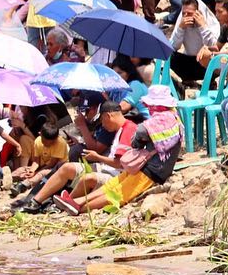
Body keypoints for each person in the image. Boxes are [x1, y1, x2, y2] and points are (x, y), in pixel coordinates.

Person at [56, 85, 183, 214]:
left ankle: (80, 208)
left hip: (153, 171)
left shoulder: (160, 120)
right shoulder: (173, 118)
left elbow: (141, 132)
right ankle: (77, 201)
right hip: (145, 166)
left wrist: (137, 142)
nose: (149, 109)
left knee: (118, 193)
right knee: (113, 186)